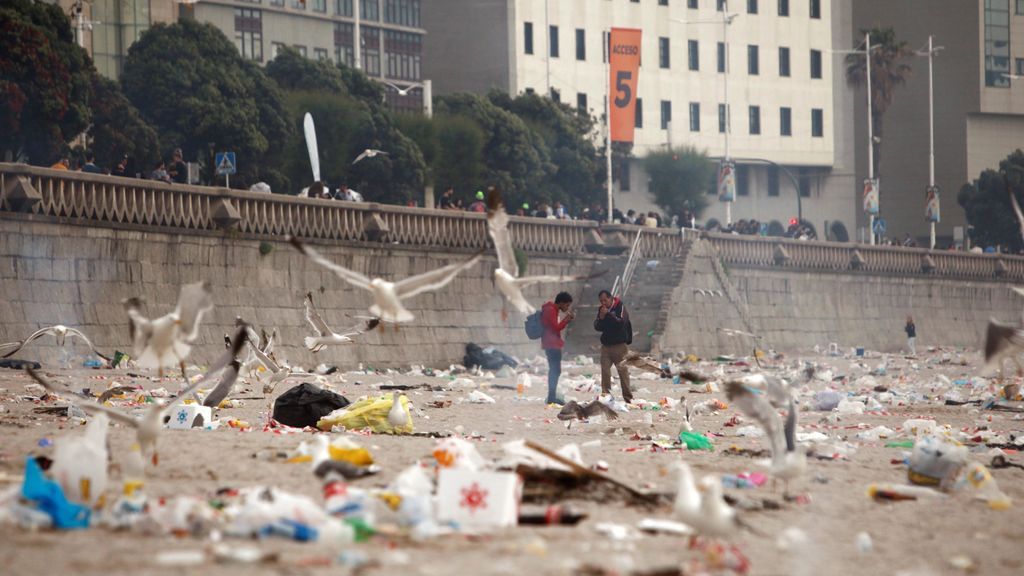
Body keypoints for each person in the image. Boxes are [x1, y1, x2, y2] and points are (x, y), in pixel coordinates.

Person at [594, 290, 632, 404]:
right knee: (605, 371)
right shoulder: (601, 310)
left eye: (605, 300)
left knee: (623, 372)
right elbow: (597, 326)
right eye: (601, 301)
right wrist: (601, 317)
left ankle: (628, 397)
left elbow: (620, 323)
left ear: (611, 298)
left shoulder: (620, 307)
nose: (603, 303)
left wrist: (608, 315)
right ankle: (606, 396)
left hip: (620, 345)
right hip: (606, 346)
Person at [541, 291, 576, 405]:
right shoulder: (550, 310)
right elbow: (555, 328)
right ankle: (551, 397)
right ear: (561, 302)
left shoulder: (552, 309)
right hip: (551, 344)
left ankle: (552, 395)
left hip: (552, 343)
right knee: (555, 370)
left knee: (555, 370)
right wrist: (566, 320)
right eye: (566, 305)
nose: (567, 308)